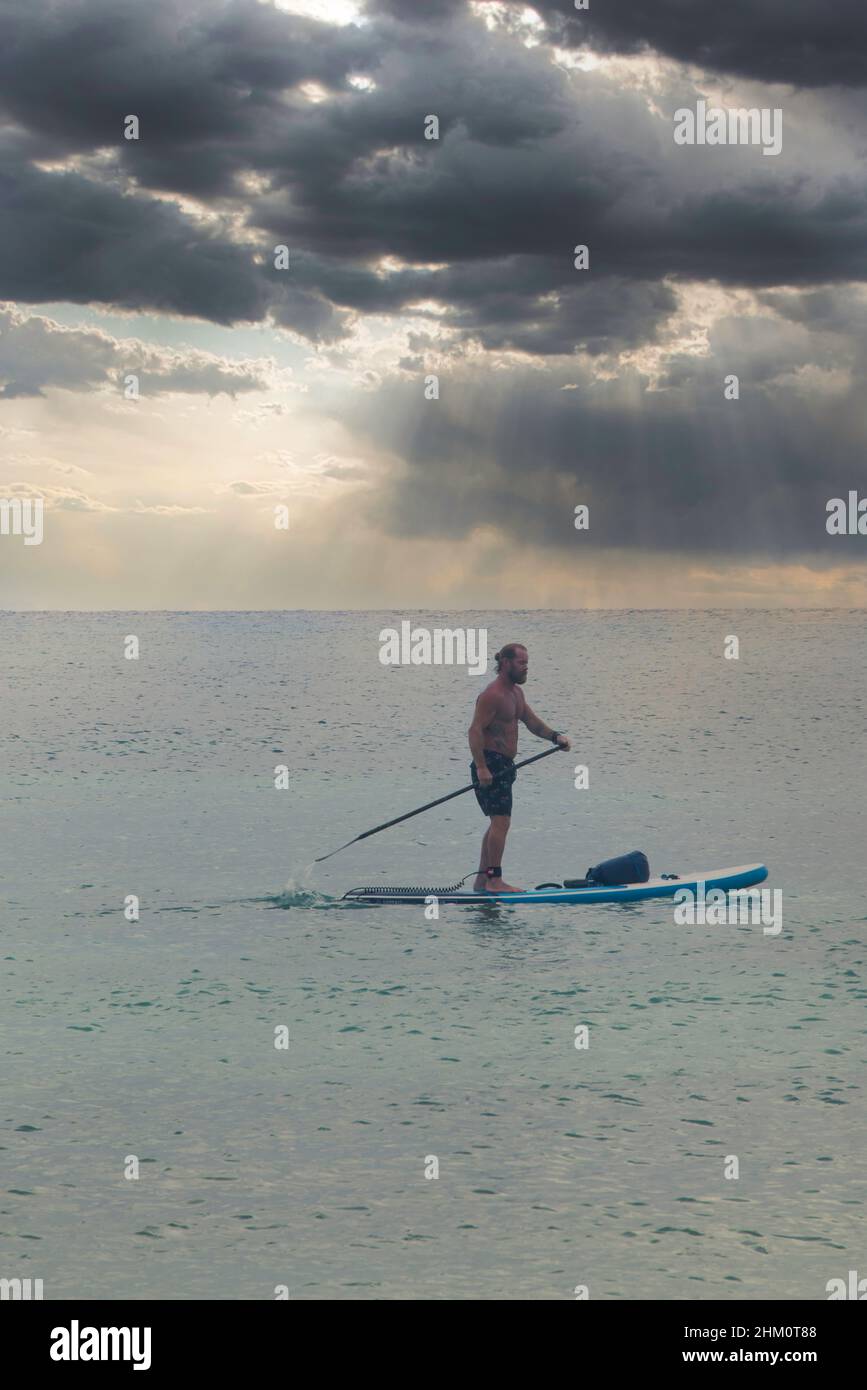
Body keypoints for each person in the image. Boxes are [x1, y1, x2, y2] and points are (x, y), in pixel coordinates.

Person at [468, 643, 570, 893]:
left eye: (527, 663)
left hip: (504, 766)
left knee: (497, 823)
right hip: (490, 765)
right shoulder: (493, 695)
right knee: (501, 823)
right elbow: (474, 731)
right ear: (505, 663)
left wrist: (555, 737)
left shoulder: (515, 694)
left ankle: (482, 881)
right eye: (521, 663)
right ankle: (494, 880)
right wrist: (481, 767)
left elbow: (531, 722)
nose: (526, 668)